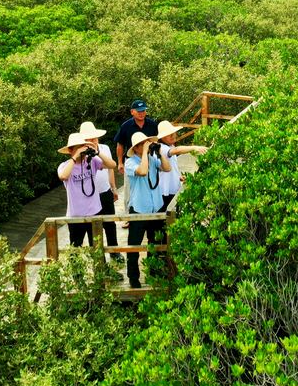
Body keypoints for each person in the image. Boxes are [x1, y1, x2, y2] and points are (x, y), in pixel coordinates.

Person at [123, 130, 171, 288]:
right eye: (143, 144)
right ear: (136, 147)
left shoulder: (152, 158)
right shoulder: (131, 162)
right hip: (139, 210)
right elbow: (142, 171)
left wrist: (159, 153)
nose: (147, 146)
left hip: (155, 208)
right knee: (134, 246)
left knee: (155, 242)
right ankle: (133, 277)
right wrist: (145, 152)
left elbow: (167, 168)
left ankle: (153, 269)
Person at [56, 131, 113, 247]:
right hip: (76, 215)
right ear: (71, 151)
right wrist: (76, 156)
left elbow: (112, 165)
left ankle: (101, 266)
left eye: (83, 147)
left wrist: (97, 153)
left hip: (95, 212)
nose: (82, 150)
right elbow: (63, 176)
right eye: (78, 148)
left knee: (97, 248)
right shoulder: (64, 166)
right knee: (75, 249)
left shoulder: (92, 161)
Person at [77, 121, 122, 262]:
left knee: (110, 224)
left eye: (95, 137)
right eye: (90, 138)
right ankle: (98, 258)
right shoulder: (80, 154)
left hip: (105, 191)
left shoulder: (104, 148)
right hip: (90, 197)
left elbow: (110, 168)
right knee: (93, 230)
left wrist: (113, 188)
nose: (93, 140)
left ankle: (114, 251)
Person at [156, 120, 208, 211]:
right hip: (165, 191)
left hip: (172, 188)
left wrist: (178, 176)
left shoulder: (170, 146)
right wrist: (194, 147)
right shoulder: (161, 148)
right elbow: (176, 151)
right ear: (162, 137)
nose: (173, 135)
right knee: (166, 217)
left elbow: (171, 164)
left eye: (174, 133)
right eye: (169, 134)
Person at [115, 99, 158, 175]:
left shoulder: (152, 124)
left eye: (143, 111)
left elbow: (157, 140)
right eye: (139, 111)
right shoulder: (125, 126)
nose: (141, 113)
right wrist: (120, 162)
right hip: (132, 159)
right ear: (132, 112)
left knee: (151, 182)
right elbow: (120, 144)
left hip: (150, 158)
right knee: (130, 185)